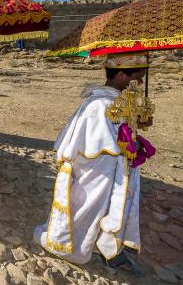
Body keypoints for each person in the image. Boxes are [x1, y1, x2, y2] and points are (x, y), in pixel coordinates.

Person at [34, 52, 155, 272]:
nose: (141, 82)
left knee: (113, 209)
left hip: (114, 172)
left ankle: (109, 247)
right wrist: (129, 146)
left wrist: (138, 124)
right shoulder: (99, 105)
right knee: (89, 210)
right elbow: (104, 145)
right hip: (97, 174)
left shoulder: (117, 101)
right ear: (121, 75)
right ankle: (76, 247)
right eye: (139, 76)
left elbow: (121, 133)